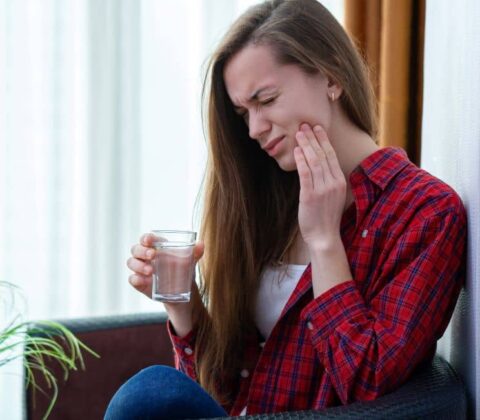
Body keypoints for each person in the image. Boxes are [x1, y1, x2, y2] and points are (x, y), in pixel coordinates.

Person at [105, 0, 467, 418]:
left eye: (267, 99)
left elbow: (367, 381)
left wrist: (325, 241)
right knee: (153, 393)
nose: (254, 129)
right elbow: (223, 392)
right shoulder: (270, 197)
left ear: (330, 75)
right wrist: (181, 302)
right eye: (244, 113)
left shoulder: (425, 212)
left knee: (148, 394)